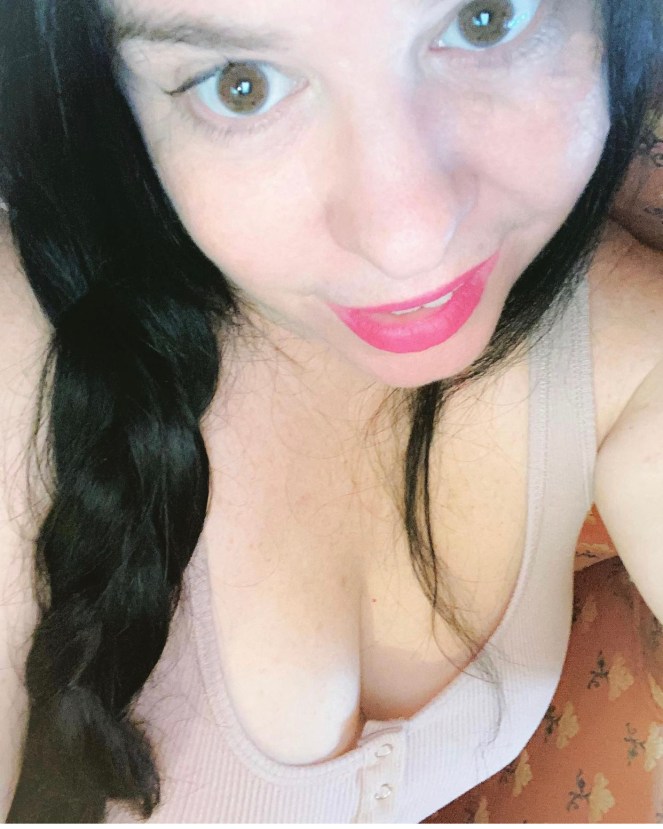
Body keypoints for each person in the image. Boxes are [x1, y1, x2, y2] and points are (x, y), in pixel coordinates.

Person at [0, 0, 661, 822]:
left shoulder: (618, 334)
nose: (408, 241)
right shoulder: (20, 345)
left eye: (485, 20)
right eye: (240, 84)